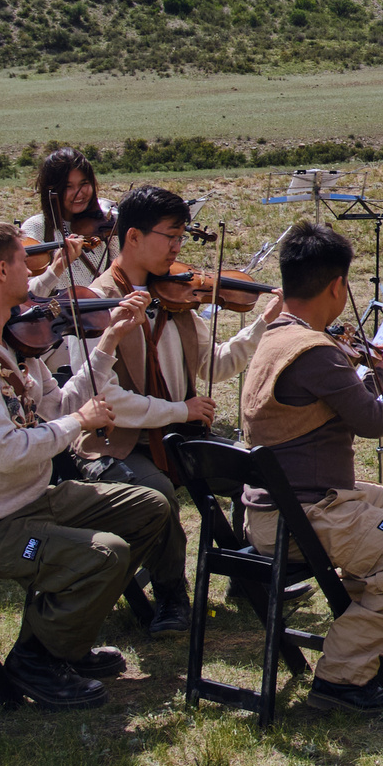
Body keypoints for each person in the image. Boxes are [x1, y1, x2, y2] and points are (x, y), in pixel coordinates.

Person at [0, 219, 168, 709]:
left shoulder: (6, 345)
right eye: (24, 262)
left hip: (28, 502)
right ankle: (37, 659)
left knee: (147, 507)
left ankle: (60, 636)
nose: (35, 270)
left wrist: (109, 341)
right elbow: (2, 451)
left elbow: (61, 407)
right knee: (105, 553)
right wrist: (79, 425)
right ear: (1, 269)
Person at [240, 220, 383, 716]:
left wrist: (371, 376)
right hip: (304, 517)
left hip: (273, 509)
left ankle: (365, 621)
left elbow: (337, 404)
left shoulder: (276, 338)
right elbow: (372, 421)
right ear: (336, 286)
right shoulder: (314, 351)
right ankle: (342, 672)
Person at [73, 183, 266, 636]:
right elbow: (107, 401)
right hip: (119, 442)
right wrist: (179, 411)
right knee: (156, 494)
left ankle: (248, 565)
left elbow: (214, 366)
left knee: (256, 468)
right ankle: (171, 596)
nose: (179, 248)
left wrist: (261, 325)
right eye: (171, 236)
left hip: (180, 430)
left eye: (182, 237)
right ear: (134, 237)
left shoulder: (176, 293)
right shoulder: (96, 302)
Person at [24, 147, 114, 294]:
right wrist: (56, 268)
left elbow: (120, 279)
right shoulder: (36, 227)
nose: (79, 193)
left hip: (103, 315)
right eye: (68, 187)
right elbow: (28, 295)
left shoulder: (106, 224)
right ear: (52, 190)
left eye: (84, 184)